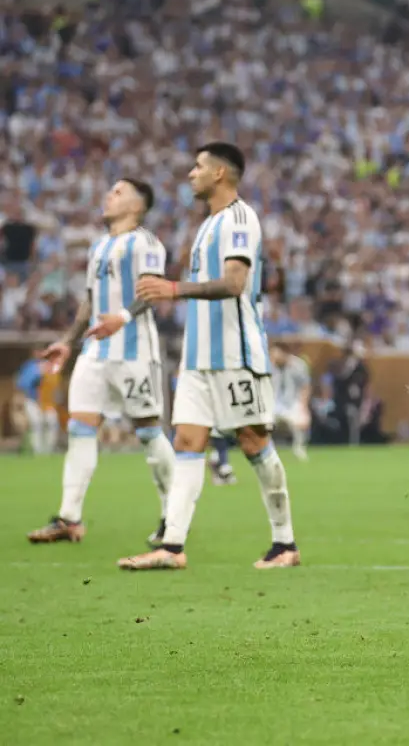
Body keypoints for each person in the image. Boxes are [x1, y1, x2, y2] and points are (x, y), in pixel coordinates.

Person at [114, 142, 299, 571]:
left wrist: (174, 289)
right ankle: (172, 547)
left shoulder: (239, 218)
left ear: (220, 174)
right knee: (187, 442)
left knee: (254, 442)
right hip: (198, 360)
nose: (190, 174)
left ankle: (284, 542)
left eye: (197, 166)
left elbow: (234, 283)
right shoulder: (207, 225)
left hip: (235, 356)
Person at [27, 179, 176, 546]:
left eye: (119, 192)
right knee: (80, 429)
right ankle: (69, 518)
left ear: (138, 206)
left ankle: (173, 515)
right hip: (95, 352)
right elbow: (90, 301)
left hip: (135, 350)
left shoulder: (146, 242)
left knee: (147, 431)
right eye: (109, 190)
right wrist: (68, 341)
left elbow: (152, 290)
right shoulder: (99, 247)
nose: (109, 195)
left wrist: (122, 317)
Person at [271, 342, 312, 460]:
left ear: (285, 354)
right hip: (275, 401)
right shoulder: (269, 366)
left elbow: (305, 386)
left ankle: (299, 448)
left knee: (300, 421)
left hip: (293, 400)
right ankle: (266, 451)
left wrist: (304, 406)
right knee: (264, 423)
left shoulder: (298, 365)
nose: (274, 358)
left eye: (277, 355)